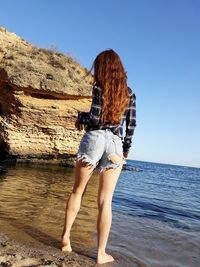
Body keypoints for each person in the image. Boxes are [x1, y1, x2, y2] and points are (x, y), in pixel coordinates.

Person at [61, 49, 136, 265]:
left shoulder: (99, 87)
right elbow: (131, 126)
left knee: (78, 191)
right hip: (114, 143)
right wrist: (126, 149)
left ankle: (66, 239)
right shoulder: (129, 93)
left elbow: (94, 117)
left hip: (94, 139)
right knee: (105, 202)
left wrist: (79, 117)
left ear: (102, 68)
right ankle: (101, 254)